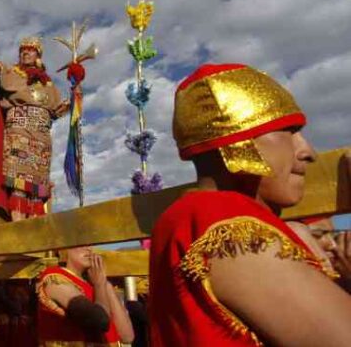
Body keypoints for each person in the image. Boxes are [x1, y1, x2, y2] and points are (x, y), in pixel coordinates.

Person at [148, 63, 351, 346]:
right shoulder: (219, 218)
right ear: (238, 141)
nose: (308, 152)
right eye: (287, 131)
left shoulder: (191, 215)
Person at [0, 14, 69, 221]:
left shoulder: (49, 85)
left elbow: (57, 111)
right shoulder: (11, 72)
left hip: (42, 138)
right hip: (19, 132)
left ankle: (33, 228)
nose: (25, 53)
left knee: (37, 187)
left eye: (30, 50)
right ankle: (18, 226)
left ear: (38, 55)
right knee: (18, 183)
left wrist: (74, 99)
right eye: (22, 50)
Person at [36, 246, 134, 346]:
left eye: (91, 245)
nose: (89, 249)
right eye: (81, 244)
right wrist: (99, 284)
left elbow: (127, 336)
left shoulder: (94, 285)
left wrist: (104, 283)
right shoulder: (55, 276)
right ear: (64, 249)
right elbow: (100, 321)